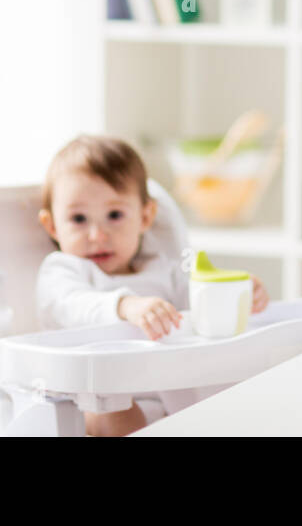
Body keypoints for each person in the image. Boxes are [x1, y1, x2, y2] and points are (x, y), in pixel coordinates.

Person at [35, 134, 268, 435]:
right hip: (90, 400)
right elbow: (73, 306)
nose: (97, 234)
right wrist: (125, 306)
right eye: (79, 219)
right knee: (115, 414)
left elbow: (198, 304)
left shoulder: (163, 270)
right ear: (53, 226)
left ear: (145, 217)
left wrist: (234, 294)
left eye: (115, 215)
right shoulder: (63, 271)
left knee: (238, 396)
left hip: (172, 398)